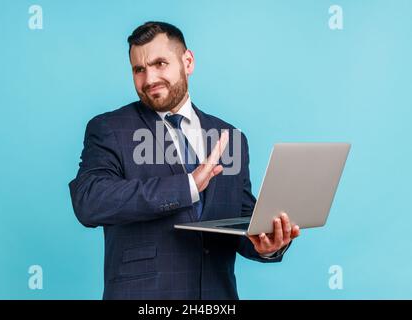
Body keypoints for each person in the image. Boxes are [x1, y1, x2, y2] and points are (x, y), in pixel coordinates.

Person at [69, 21, 300, 300]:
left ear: (187, 61)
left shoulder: (231, 138)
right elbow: (89, 201)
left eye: (160, 64)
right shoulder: (110, 129)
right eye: (139, 69)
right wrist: (188, 186)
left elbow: (240, 223)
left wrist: (267, 244)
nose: (149, 78)